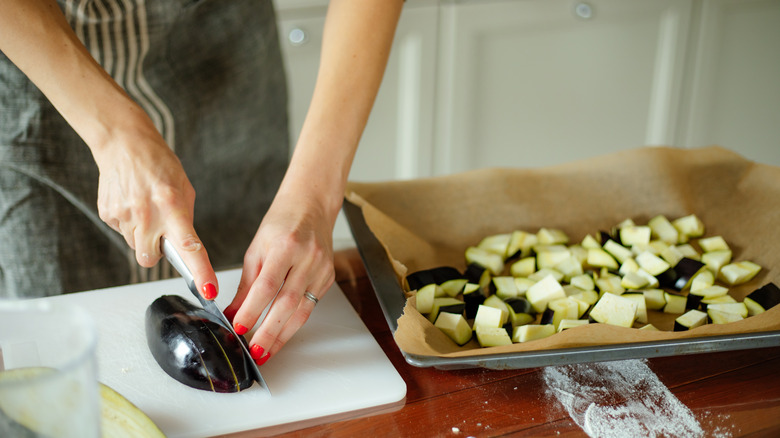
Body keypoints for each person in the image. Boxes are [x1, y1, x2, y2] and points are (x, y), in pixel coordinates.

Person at [0, 0, 403, 366]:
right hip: (40, 75)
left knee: (258, 286)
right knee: (53, 351)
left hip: (223, 55)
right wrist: (110, 131)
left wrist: (313, 196)